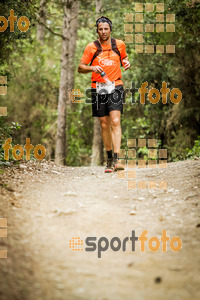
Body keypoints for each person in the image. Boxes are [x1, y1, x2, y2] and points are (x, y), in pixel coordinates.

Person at [78, 16, 130, 173]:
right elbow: (80, 67)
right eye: (100, 29)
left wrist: (127, 62)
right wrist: (92, 68)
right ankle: (109, 159)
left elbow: (124, 58)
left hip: (115, 86)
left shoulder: (119, 45)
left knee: (115, 120)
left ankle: (117, 159)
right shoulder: (91, 47)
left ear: (110, 29)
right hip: (98, 88)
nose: (103, 32)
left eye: (106, 29)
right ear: (97, 30)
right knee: (104, 124)